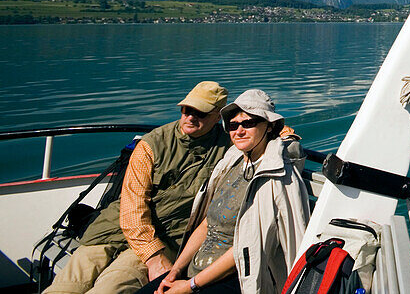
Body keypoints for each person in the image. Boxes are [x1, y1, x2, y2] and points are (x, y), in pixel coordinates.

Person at [46, 82, 232, 294]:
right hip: (111, 229)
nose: (190, 117)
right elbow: (132, 207)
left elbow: (263, 133)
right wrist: (154, 258)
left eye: (200, 112)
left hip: (166, 236)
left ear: (218, 116)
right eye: (187, 109)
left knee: (111, 288)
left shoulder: (229, 147)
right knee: (65, 287)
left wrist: (277, 133)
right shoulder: (152, 144)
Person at [147, 89, 310, 294]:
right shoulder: (232, 162)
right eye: (233, 125)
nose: (239, 131)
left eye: (248, 123)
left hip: (239, 277)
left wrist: (189, 286)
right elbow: (207, 223)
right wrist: (176, 270)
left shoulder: (276, 178)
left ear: (269, 127)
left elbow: (246, 248)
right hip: (196, 270)